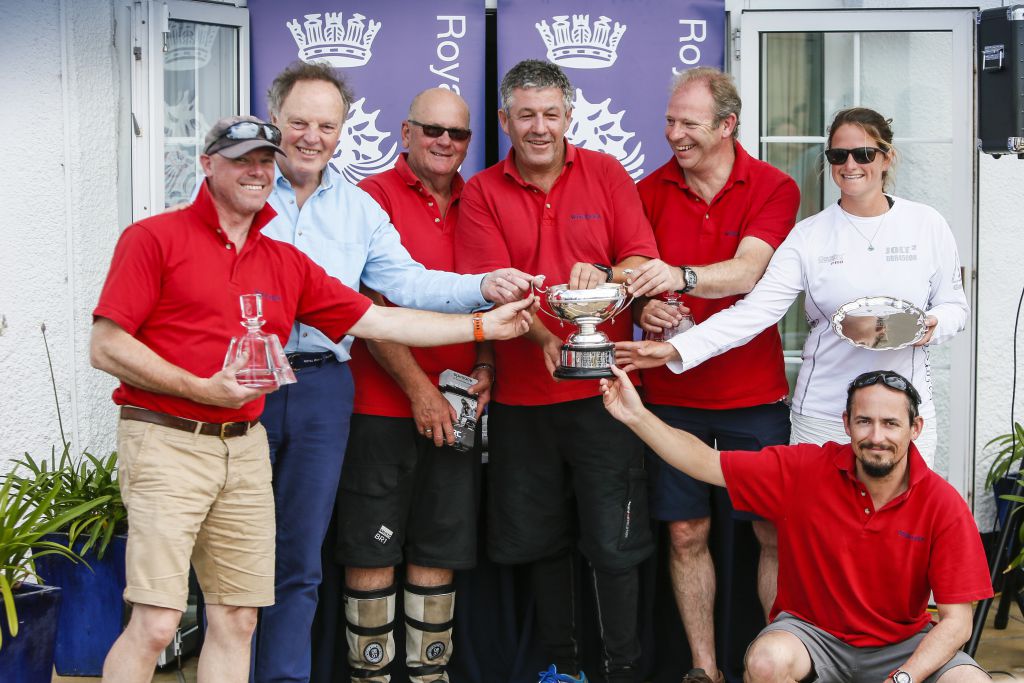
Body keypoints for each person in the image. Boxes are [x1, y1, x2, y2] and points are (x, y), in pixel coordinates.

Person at [90, 116, 536, 683]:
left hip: (243, 444)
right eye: (241, 159)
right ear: (207, 165)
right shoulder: (154, 237)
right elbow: (106, 346)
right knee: (157, 622)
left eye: (263, 160)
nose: (256, 170)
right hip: (168, 437)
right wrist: (201, 388)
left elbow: (377, 316)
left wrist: (483, 329)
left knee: (238, 618)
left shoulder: (283, 260)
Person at [253, 62, 538, 683]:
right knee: (240, 553)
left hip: (324, 386)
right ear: (274, 119)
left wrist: (484, 292)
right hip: (246, 387)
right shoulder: (244, 191)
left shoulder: (356, 209)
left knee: (300, 559)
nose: (311, 135)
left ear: (343, 131)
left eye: (326, 125)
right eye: (299, 121)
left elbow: (406, 284)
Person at [455, 59, 661, 683]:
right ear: (504, 121)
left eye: (551, 114)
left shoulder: (605, 173)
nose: (539, 127)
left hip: (608, 396)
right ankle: (564, 669)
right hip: (524, 401)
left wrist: (609, 276)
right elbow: (488, 287)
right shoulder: (483, 191)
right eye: (526, 115)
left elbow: (642, 258)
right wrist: (547, 333)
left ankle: (622, 670)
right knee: (540, 542)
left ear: (570, 116)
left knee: (614, 545)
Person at [617, 107, 969, 466]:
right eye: (838, 155)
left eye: (863, 154)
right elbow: (754, 313)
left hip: (902, 412)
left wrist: (931, 325)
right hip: (825, 413)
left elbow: (955, 307)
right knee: (817, 521)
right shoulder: (808, 235)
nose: (850, 165)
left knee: (904, 520)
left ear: (886, 157)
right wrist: (675, 349)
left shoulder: (926, 224)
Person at [601, 366, 992, 683]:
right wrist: (635, 415)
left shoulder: (943, 504)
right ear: (846, 424)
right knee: (767, 662)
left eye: (891, 423)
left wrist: (903, 679)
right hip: (813, 636)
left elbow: (957, 622)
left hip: (901, 643)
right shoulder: (805, 470)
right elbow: (704, 462)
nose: (876, 436)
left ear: (915, 429)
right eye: (864, 421)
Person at [621, 67, 800, 683]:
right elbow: (632, 274)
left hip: (755, 397)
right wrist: (645, 302)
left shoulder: (774, 186)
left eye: (688, 123)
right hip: (672, 396)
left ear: (727, 126)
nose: (674, 133)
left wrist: (681, 276)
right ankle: (704, 670)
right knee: (685, 533)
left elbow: (750, 272)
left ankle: (782, 662)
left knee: (774, 531)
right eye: (670, 120)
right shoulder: (647, 190)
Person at [336, 88, 486, 683]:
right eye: (432, 130)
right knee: (372, 552)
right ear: (404, 132)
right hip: (380, 409)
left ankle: (429, 677)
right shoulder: (368, 197)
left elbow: (486, 292)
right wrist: (420, 391)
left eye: (457, 134)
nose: (445, 142)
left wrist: (488, 368)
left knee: (438, 551)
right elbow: (365, 303)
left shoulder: (480, 199)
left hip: (459, 408)